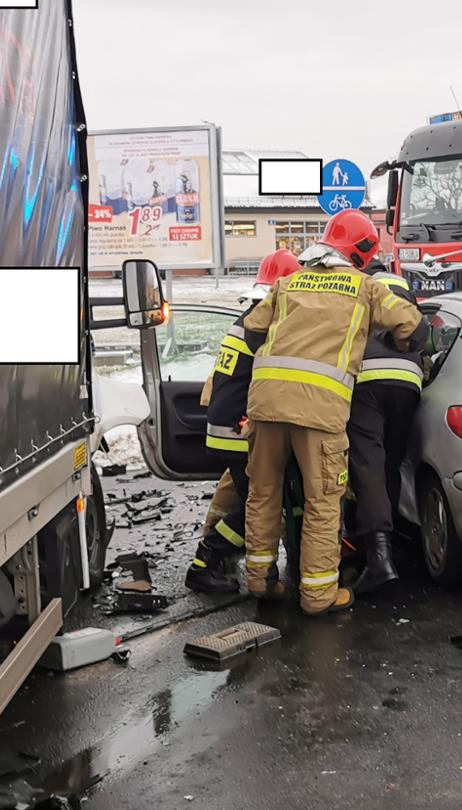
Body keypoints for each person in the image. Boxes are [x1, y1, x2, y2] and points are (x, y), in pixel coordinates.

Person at [241, 210, 422, 615]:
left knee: (263, 492)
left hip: (266, 404)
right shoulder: (366, 287)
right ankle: (319, 596)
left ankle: (260, 581)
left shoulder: (287, 283)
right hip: (320, 411)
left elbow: (252, 331)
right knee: (323, 499)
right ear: (363, 253)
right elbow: (413, 326)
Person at [184, 250, 301, 593]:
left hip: (225, 424)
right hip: (240, 428)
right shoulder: (267, 325)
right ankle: (205, 561)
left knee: (251, 501)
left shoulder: (246, 318)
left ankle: (214, 558)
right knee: (262, 507)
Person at [345, 269, 427, 594]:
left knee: (369, 468)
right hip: (409, 382)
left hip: (367, 380)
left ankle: (379, 559)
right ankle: (389, 545)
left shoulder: (365, 291)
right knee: (390, 465)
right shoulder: (404, 293)